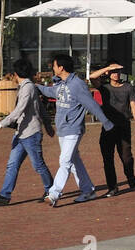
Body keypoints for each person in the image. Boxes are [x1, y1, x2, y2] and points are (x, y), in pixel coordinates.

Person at [37, 54, 114, 206]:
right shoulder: (61, 83)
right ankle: (88, 191)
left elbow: (91, 104)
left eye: (54, 66)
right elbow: (51, 93)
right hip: (63, 129)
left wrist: (105, 122)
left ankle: (54, 194)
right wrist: (36, 87)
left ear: (61, 67)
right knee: (73, 161)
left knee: (64, 161)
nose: (52, 68)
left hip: (73, 129)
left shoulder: (77, 84)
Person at [0, 57, 54, 207]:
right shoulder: (27, 86)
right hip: (21, 133)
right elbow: (39, 107)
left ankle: (51, 189)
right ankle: (4, 195)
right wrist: (47, 124)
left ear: (16, 73)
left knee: (38, 165)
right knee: (12, 164)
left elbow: (19, 110)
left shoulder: (28, 87)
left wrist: (0, 125)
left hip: (30, 133)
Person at [88, 61, 135, 193]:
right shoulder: (105, 87)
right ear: (108, 73)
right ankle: (112, 187)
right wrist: (108, 67)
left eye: (117, 71)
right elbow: (92, 77)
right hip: (108, 128)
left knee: (126, 157)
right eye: (113, 72)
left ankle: (130, 176)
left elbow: (133, 106)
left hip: (123, 127)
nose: (116, 74)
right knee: (108, 158)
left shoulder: (128, 87)